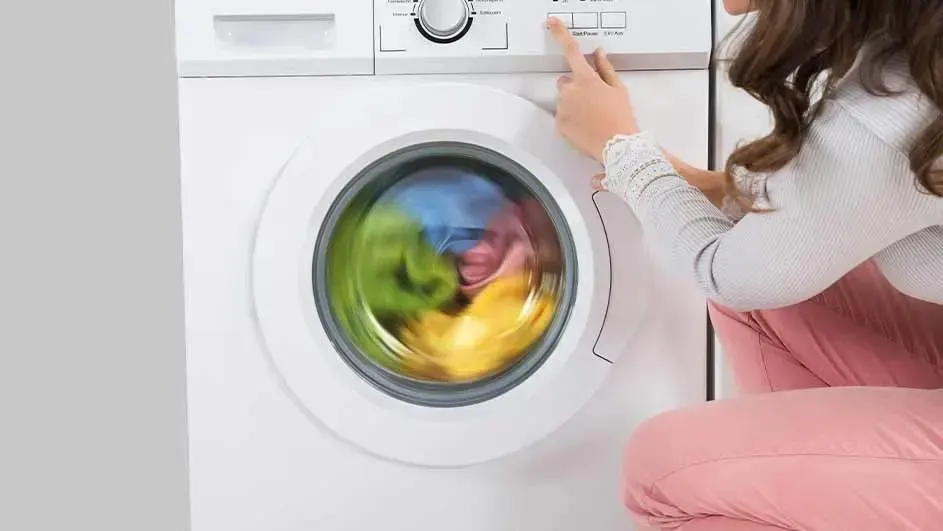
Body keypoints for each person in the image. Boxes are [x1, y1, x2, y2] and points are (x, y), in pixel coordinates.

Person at [546, 0, 943, 528]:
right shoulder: (913, 58)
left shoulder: (886, 115)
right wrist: (714, 189)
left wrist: (622, 150)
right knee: (776, 300)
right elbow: (847, 201)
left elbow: (728, 273)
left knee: (661, 469)